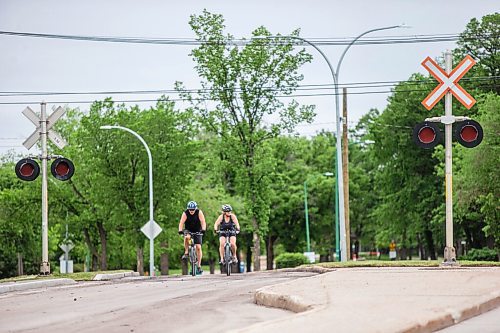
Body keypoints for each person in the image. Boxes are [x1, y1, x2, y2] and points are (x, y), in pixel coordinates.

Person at [178, 201, 206, 274]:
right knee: (187, 237)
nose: (191, 211)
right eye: (190, 209)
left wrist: (203, 229)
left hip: (197, 230)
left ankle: (199, 265)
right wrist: (180, 230)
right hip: (188, 230)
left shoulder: (199, 212)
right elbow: (181, 222)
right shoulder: (185, 213)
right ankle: (186, 252)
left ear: (195, 209)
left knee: (198, 247)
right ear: (188, 209)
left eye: (193, 209)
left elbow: (203, 221)